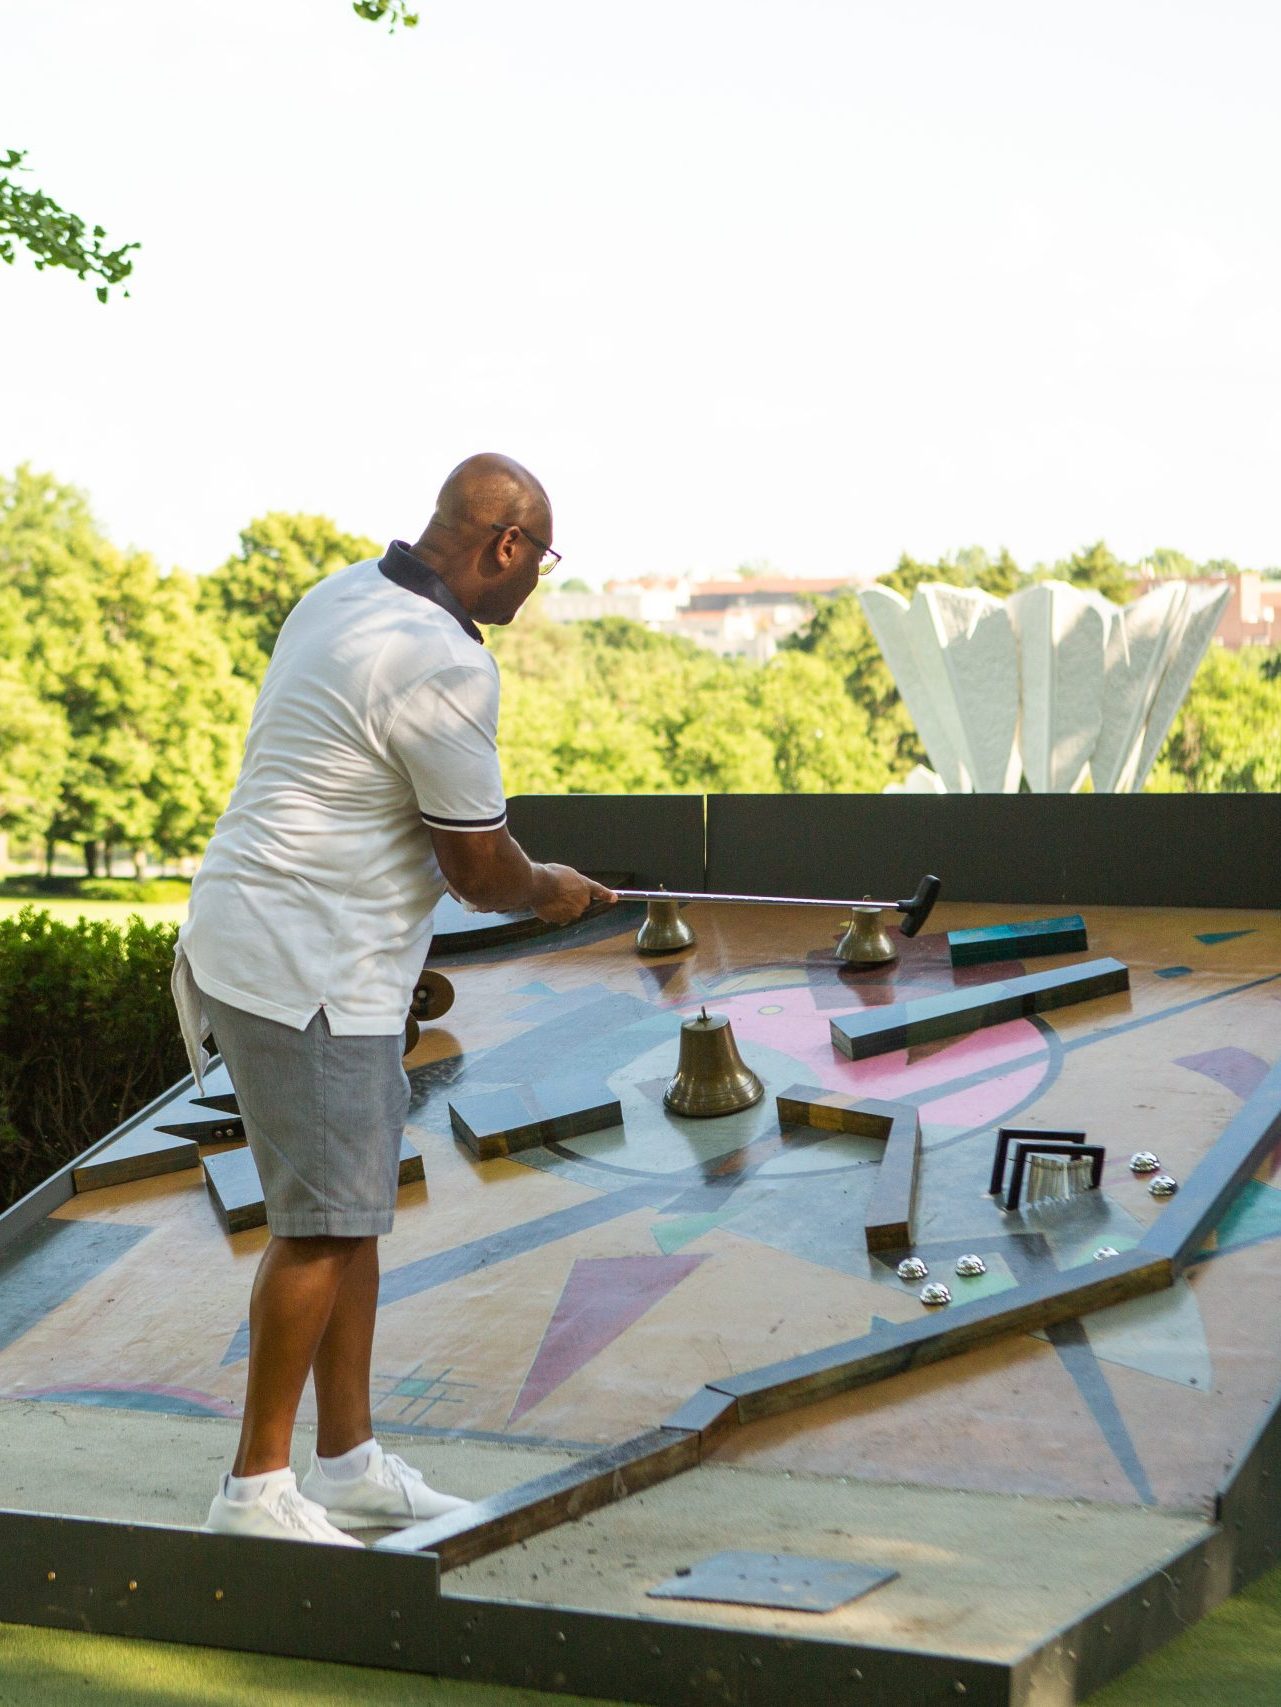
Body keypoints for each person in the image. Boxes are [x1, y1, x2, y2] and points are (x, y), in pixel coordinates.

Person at [172, 453, 615, 1545]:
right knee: (322, 1228)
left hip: (300, 948)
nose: (535, 584)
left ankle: (351, 1462)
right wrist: (550, 891)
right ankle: (255, 1492)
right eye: (541, 559)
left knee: (353, 1213)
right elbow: (477, 865)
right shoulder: (441, 662)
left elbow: (352, 802)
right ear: (504, 544)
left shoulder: (340, 596)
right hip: (303, 967)